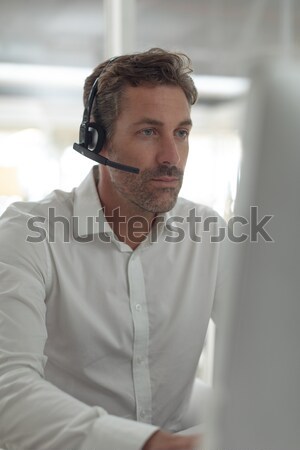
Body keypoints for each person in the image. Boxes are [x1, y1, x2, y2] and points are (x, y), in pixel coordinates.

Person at [0, 48, 226, 450]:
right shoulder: (28, 234)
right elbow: (8, 392)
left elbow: (274, 344)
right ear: (96, 141)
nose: (172, 158)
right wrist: (155, 444)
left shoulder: (208, 234)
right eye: (148, 132)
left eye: (181, 133)